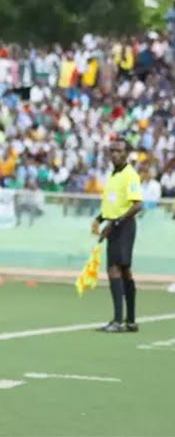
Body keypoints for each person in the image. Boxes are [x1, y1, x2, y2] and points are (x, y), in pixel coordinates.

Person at [91, 138, 143, 333]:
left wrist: (116, 223)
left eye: (118, 151)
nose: (114, 154)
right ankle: (130, 320)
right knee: (125, 271)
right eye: (111, 150)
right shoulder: (112, 176)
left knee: (114, 269)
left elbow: (137, 205)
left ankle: (117, 321)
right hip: (115, 225)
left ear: (126, 153)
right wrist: (99, 219)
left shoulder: (130, 175)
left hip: (124, 226)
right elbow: (112, 205)